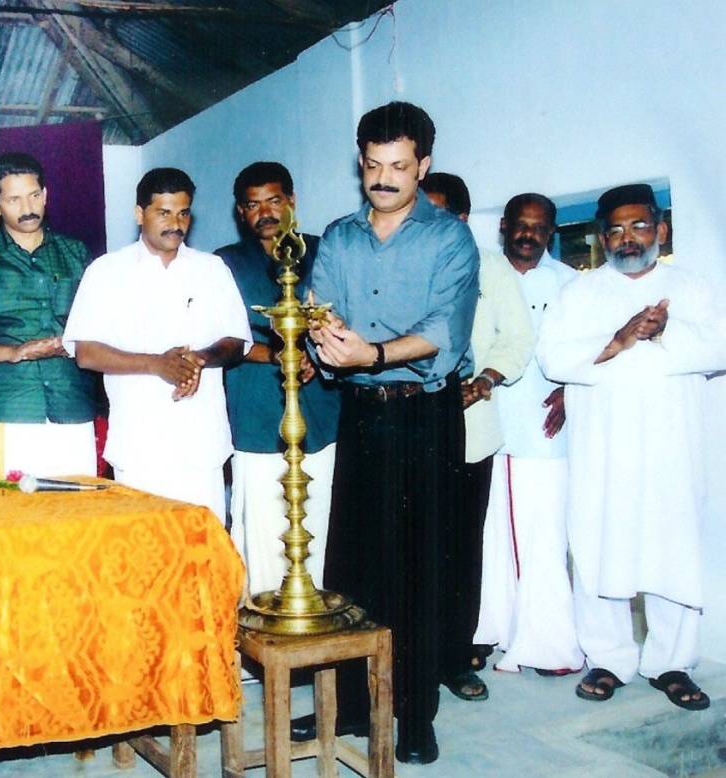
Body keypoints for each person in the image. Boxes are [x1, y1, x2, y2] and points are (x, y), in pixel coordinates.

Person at [303, 102, 479, 763]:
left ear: (423, 166)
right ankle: (351, 705)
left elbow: (444, 331)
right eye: (373, 165)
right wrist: (327, 341)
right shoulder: (338, 237)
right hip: (361, 415)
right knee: (352, 565)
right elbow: (319, 312)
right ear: (360, 162)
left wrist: (371, 354)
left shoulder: (449, 239)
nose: (383, 178)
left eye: (399, 166)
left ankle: (416, 715)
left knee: (420, 568)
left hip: (425, 415)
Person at [537, 183, 726, 712]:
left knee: (673, 550)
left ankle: (672, 664)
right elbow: (553, 359)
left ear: (660, 229)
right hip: (604, 450)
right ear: (602, 238)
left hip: (672, 450)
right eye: (616, 230)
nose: (628, 238)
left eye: (639, 226)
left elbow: (720, 345)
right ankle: (608, 659)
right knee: (599, 546)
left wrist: (666, 330)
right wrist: (618, 340)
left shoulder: (691, 287)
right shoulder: (579, 293)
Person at [63, 167, 251, 520]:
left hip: (201, 444)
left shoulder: (212, 269)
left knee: (203, 544)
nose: (175, 224)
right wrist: (156, 364)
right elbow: (86, 353)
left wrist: (198, 359)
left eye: (183, 213)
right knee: (143, 546)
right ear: (140, 214)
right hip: (139, 446)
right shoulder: (106, 272)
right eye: (163, 213)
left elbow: (237, 341)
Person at [419, 174, 535, 682]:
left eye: (439, 213)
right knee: (412, 546)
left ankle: (455, 657)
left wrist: (486, 379)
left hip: (472, 426)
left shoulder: (492, 267)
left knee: (461, 545)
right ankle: (409, 656)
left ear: (462, 219)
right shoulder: (406, 267)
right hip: (410, 427)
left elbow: (517, 339)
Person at [472, 193, 585, 675]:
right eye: (521, 225)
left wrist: (571, 389)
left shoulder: (571, 284)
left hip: (544, 430)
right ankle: (487, 631)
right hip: (484, 421)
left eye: (539, 228)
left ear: (551, 232)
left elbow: (592, 349)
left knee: (544, 538)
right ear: (504, 225)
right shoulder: (479, 272)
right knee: (488, 537)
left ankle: (548, 646)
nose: (528, 235)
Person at [218, 161, 339, 596]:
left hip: (321, 412)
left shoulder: (324, 252)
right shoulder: (225, 264)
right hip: (257, 414)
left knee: (322, 521)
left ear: (291, 201)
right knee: (263, 532)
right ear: (241, 212)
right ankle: (266, 624)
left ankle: (317, 621)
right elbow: (219, 339)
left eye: (274, 201)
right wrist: (278, 355)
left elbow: (347, 319)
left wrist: (316, 357)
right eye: (253, 205)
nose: (265, 213)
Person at [0, 153, 96, 481]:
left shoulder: (77, 254)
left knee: (81, 510)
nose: (27, 208)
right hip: (9, 412)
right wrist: (15, 352)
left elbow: (102, 327)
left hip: (73, 410)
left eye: (34, 195)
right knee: (9, 511)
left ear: (45, 195)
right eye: (14, 199)